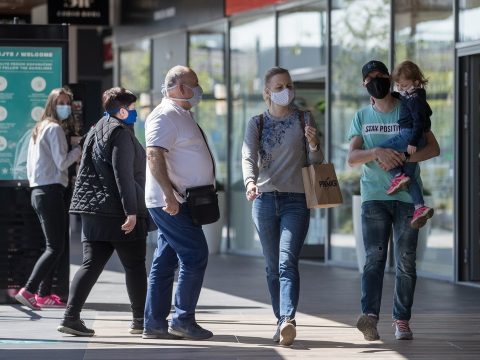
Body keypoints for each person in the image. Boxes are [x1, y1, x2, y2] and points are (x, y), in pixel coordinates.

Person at [347, 60, 440, 341]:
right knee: (374, 260)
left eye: (381, 76)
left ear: (391, 79)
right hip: (374, 196)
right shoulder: (361, 117)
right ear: (365, 85)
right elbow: (351, 158)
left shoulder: (408, 106)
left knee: (406, 262)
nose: (377, 81)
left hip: (406, 198)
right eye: (370, 78)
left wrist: (404, 157)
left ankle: (401, 320)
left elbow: (433, 147)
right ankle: (370, 318)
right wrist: (376, 152)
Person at [241, 66, 324, 346]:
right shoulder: (256, 123)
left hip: (296, 200)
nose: (285, 91)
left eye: (288, 85)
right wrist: (250, 182)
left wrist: (313, 145)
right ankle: (280, 321)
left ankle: (288, 319)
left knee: (287, 260)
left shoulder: (303, 118)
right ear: (267, 92)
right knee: (271, 265)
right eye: (278, 87)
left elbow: (317, 162)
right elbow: (248, 155)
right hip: (263, 199)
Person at [57, 87, 148, 337]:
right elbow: (123, 176)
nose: (134, 113)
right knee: (135, 265)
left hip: (94, 211)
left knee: (90, 264)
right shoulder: (120, 134)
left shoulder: (97, 129)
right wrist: (131, 211)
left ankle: (70, 317)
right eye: (131, 109)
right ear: (121, 110)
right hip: (119, 211)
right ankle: (140, 319)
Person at [143, 65, 214, 340]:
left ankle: (154, 323)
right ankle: (182, 319)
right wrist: (169, 196)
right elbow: (153, 155)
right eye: (194, 83)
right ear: (181, 87)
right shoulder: (164, 116)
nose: (199, 89)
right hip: (173, 202)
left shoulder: (182, 114)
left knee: (165, 260)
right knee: (195, 255)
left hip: (181, 201)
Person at [16, 87, 82, 310]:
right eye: (60, 102)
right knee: (54, 247)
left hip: (39, 191)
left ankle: (43, 294)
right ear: (52, 104)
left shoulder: (39, 127)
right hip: (51, 191)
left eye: (67, 102)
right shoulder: (53, 129)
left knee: (55, 246)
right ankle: (29, 290)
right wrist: (78, 148)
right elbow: (62, 162)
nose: (64, 106)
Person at [379, 60, 434, 228]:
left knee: (379, 151)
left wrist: (412, 141)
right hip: (413, 136)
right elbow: (426, 111)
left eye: (403, 85)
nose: (400, 89)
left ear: (416, 82)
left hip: (409, 134)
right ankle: (420, 207)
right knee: (411, 179)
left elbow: (418, 121)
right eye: (398, 86)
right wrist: (395, 95)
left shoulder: (415, 99)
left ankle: (397, 176)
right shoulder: (413, 94)